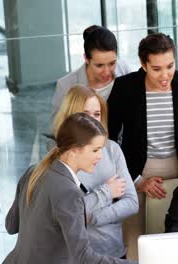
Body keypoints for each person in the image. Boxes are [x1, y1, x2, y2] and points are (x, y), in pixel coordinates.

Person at [107, 33, 178, 259]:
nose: (165, 75)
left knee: (175, 242)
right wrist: (137, 181)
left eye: (170, 66)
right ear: (143, 64)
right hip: (137, 172)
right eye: (156, 69)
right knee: (134, 246)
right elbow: (110, 142)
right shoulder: (125, 87)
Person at [4, 113, 136, 264]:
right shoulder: (69, 192)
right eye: (95, 150)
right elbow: (84, 257)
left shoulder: (33, 171)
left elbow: (11, 225)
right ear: (74, 150)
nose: (100, 156)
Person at [52, 85, 138, 258]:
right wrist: (107, 192)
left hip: (113, 252)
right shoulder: (57, 158)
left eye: (97, 114)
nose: (92, 121)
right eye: (85, 114)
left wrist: (91, 218)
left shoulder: (112, 149)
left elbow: (131, 202)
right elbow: (67, 212)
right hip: (74, 256)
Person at [51, 25, 131, 118]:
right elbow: (58, 127)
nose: (106, 72)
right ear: (86, 59)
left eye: (112, 63)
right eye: (99, 65)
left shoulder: (125, 70)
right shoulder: (65, 86)